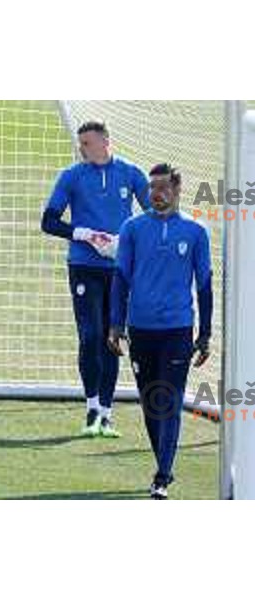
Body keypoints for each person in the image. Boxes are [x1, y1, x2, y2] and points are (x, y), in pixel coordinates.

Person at [108, 163, 213, 499]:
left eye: (164, 187)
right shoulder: (133, 228)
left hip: (178, 329)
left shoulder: (196, 232)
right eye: (153, 187)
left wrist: (206, 333)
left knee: (169, 400)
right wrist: (115, 324)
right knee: (151, 403)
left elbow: (205, 284)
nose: (157, 193)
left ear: (178, 190)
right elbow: (120, 278)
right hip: (141, 328)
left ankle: (163, 475)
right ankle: (163, 464)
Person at [41, 121, 149, 437]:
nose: (82, 149)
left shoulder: (131, 173)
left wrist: (124, 242)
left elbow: (151, 214)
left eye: (87, 143)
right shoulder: (72, 176)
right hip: (83, 266)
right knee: (89, 335)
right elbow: (48, 221)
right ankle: (91, 409)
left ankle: (106, 412)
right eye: (80, 144)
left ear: (105, 141)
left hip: (119, 269)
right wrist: (84, 234)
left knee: (112, 338)